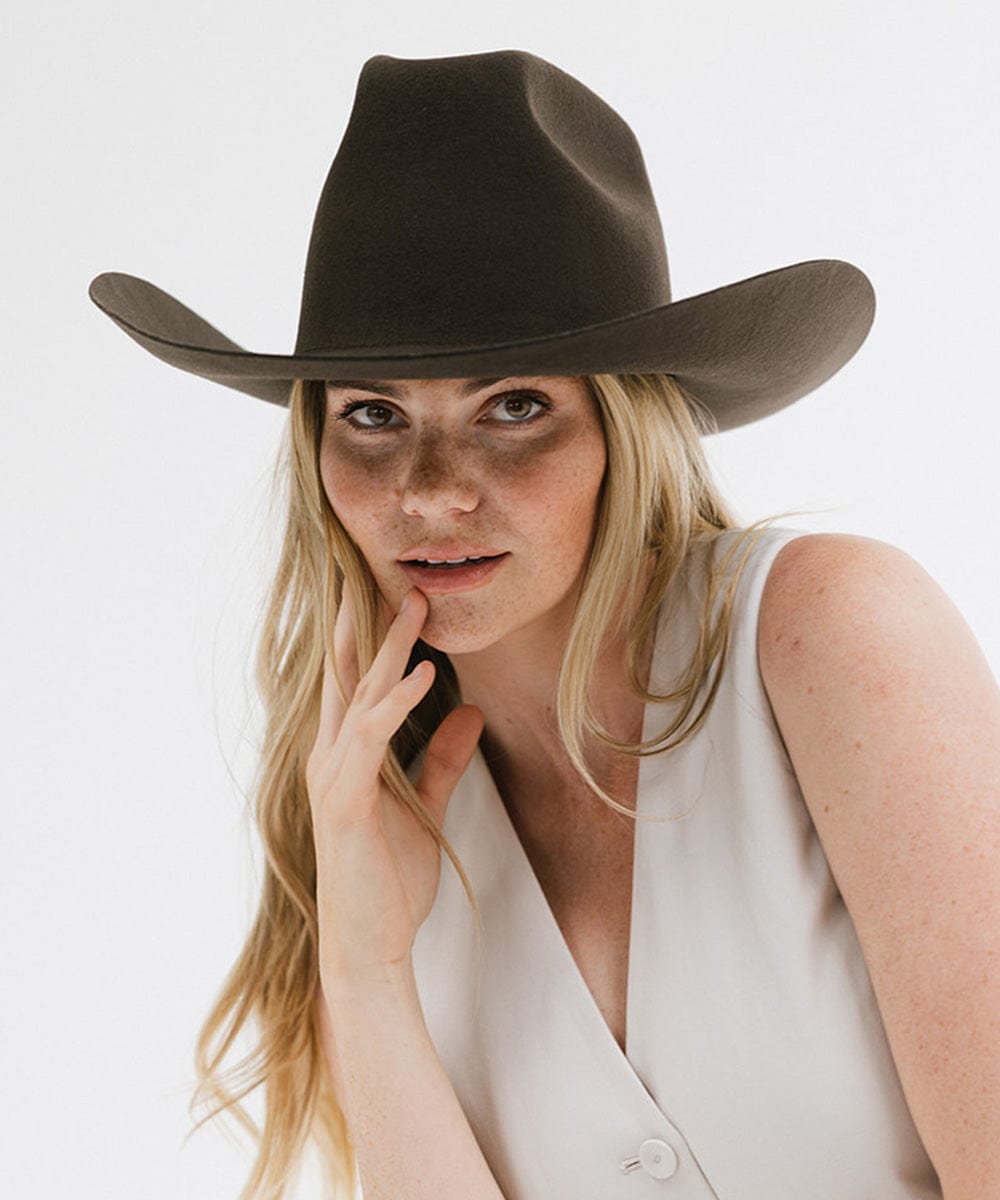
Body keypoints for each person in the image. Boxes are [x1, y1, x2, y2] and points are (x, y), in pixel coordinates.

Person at [88, 50, 998, 1200]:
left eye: (514, 406)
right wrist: (364, 968)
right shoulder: (369, 804)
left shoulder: (823, 634)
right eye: (371, 415)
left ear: (627, 427)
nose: (431, 493)